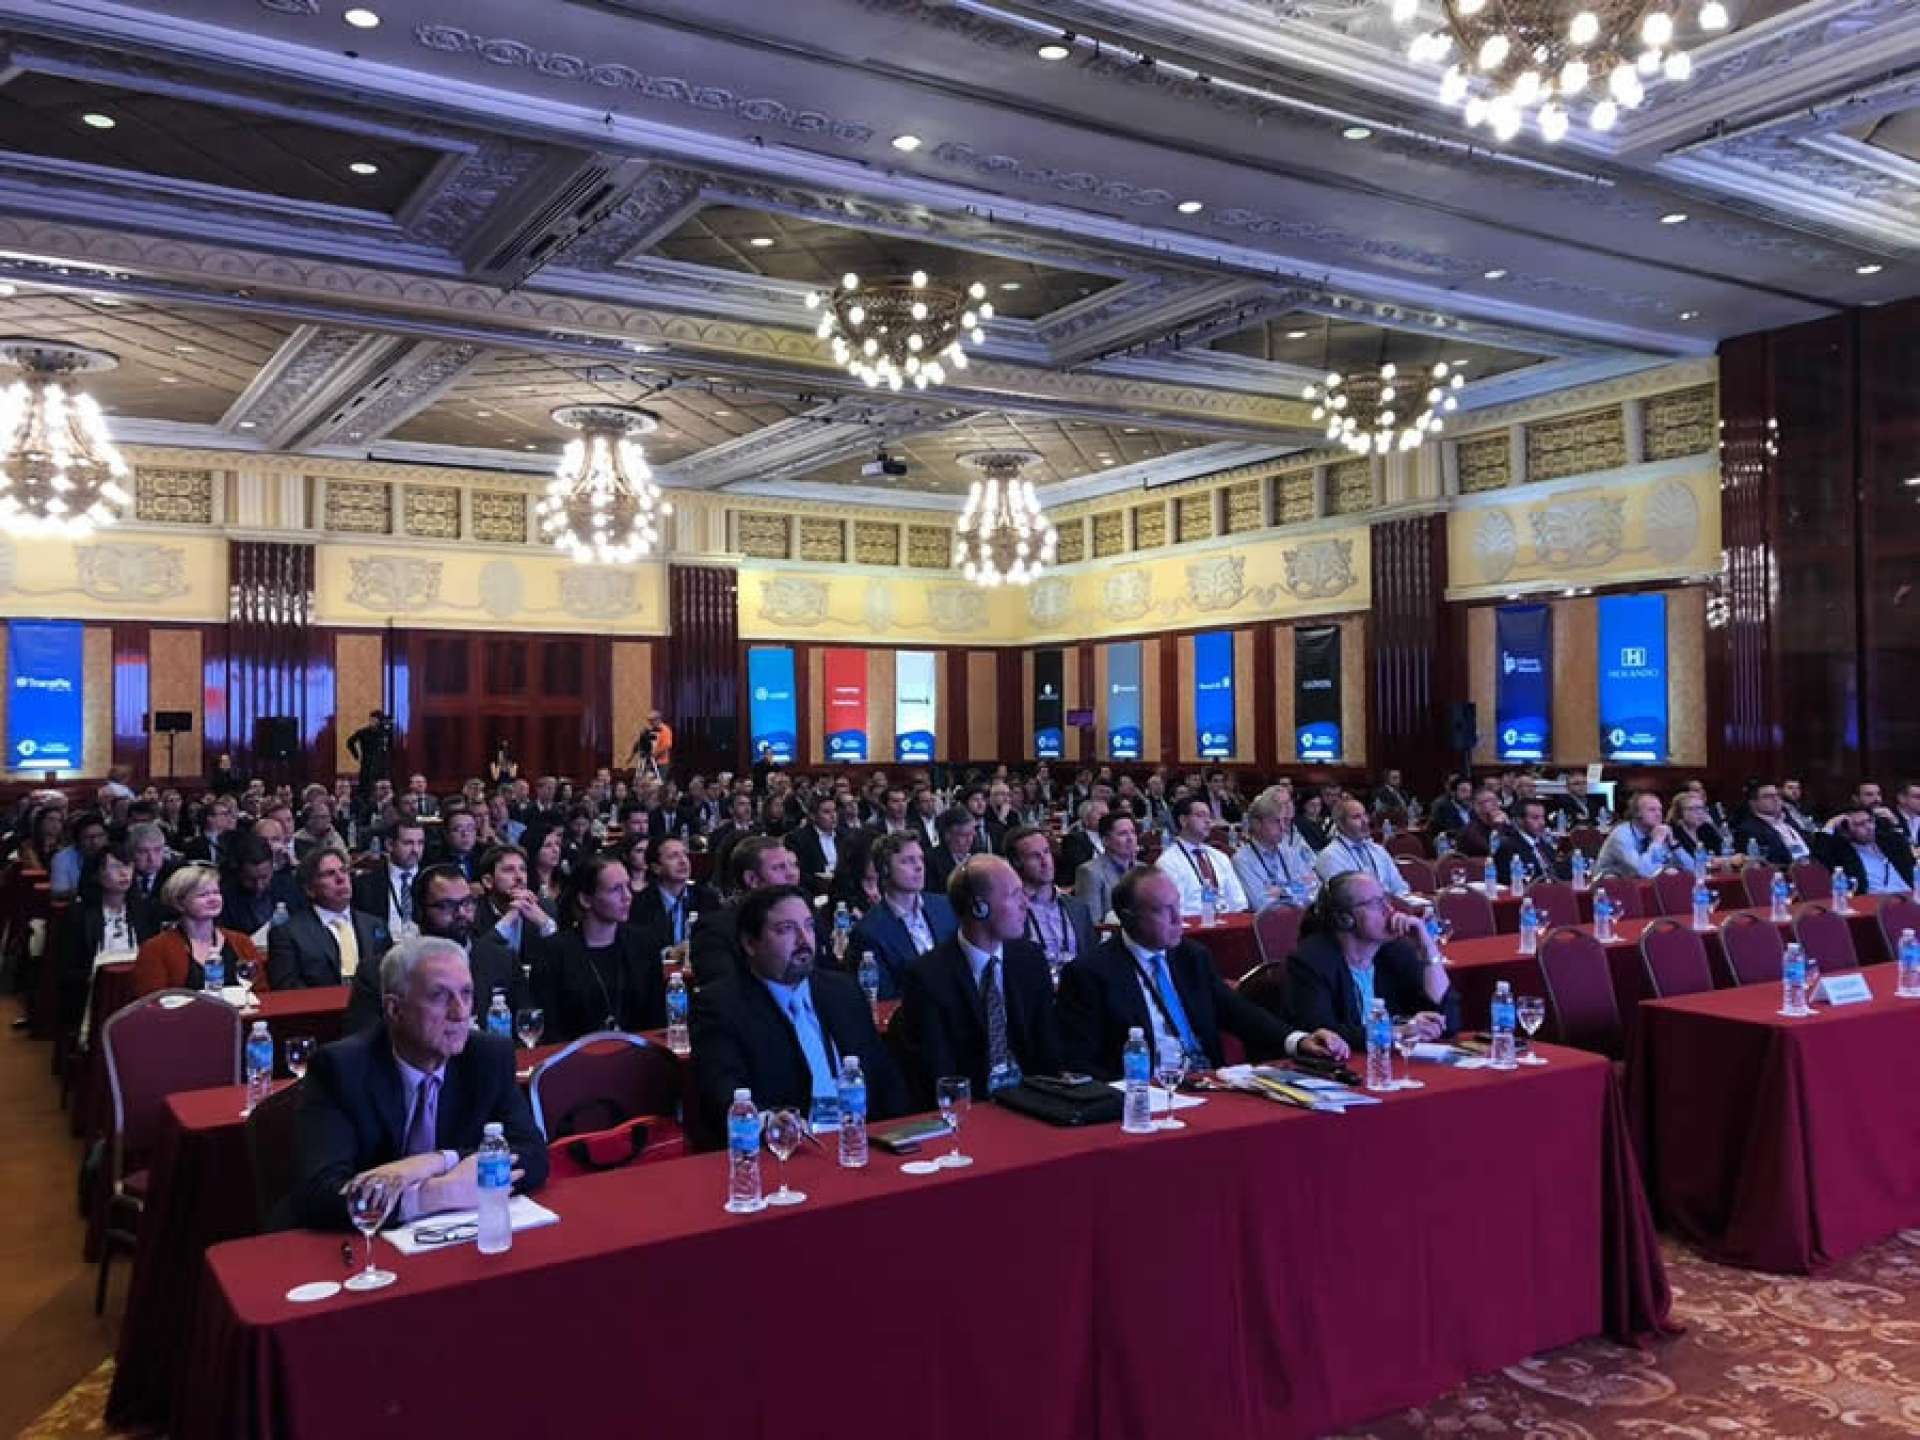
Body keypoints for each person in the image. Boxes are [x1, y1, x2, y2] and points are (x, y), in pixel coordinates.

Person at [286, 936, 547, 1230]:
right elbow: (319, 1194)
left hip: (456, 1236)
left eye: (466, 993)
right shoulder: (341, 1069)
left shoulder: (488, 1057)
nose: (461, 1012)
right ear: (394, 1009)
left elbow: (533, 1154)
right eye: (440, 996)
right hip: (365, 1244)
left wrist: (435, 1162)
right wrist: (432, 1196)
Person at [1059, 867, 1344, 1078]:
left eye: (1177, 906)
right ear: (1128, 916)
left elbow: (1237, 1012)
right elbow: (1079, 1061)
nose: (1178, 919)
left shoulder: (1191, 956)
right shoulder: (1091, 974)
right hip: (1143, 1093)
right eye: (1163, 911)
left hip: (1206, 1081)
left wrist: (1298, 1040)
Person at [689, 885, 908, 1136]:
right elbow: (722, 1092)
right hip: (785, 1147)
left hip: (860, 1141)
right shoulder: (721, 1006)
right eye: (786, 930)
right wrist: (769, 1123)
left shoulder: (843, 991)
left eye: (809, 926)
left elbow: (885, 1079)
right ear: (750, 943)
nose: (804, 940)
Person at [895, 855, 1063, 1105]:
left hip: (1033, 1104)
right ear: (979, 908)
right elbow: (937, 1074)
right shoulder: (928, 977)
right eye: (1014, 895)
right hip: (970, 1109)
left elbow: (1049, 1053)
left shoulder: (1029, 960)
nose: (1025, 904)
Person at [1284, 872, 1460, 1052]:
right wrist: (1394, 1032)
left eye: (1386, 899)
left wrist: (1428, 947)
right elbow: (1320, 1033)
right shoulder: (1312, 960)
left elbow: (1447, 1021)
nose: (1389, 910)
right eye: (1376, 903)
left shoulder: (1396, 952)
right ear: (1345, 919)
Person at [345, 865, 523, 1033]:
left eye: (467, 903)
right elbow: (363, 1044)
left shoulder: (503, 960)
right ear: (419, 912)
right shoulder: (379, 973)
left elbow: (526, 1027)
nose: (461, 913)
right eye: (447, 906)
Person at [535, 854, 669, 1041]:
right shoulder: (554, 952)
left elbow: (658, 1018)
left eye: (627, 886)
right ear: (586, 899)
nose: (627, 896)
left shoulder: (644, 944)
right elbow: (549, 1026)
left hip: (638, 1051)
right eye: (616, 889)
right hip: (576, 1054)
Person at [60, 844, 159, 1031]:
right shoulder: (78, 915)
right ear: (97, 874)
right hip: (92, 995)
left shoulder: (145, 910)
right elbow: (67, 968)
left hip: (138, 991)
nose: (124, 873)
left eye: (128, 866)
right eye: (115, 867)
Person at [849, 832, 958, 999]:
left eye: (920, 859)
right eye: (908, 860)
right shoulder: (868, 932)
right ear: (885, 868)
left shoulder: (945, 907)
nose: (919, 866)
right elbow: (884, 997)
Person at [131, 863, 266, 996]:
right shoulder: (156, 949)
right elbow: (151, 1002)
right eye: (203, 895)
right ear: (180, 902)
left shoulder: (241, 942)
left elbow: (262, 992)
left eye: (216, 892)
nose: (213, 899)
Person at [267, 848, 391, 990]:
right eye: (329, 874)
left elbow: (391, 975)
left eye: (344, 870)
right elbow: (287, 989)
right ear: (309, 889)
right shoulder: (288, 934)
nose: (341, 879)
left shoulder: (374, 925)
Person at [689, 836, 802, 986]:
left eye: (793, 865)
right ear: (752, 879)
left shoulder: (807, 918)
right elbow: (722, 990)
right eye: (779, 868)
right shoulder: (716, 931)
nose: (792, 874)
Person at [1004, 825, 1096, 966]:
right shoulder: (1009, 912)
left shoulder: (1078, 909)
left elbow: (1092, 959)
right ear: (1016, 863)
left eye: (1046, 852)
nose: (1045, 861)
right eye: (1035, 856)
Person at [1154, 795, 1249, 916]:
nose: (1208, 821)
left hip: (1226, 921)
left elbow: (1239, 902)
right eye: (1200, 815)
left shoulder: (1220, 857)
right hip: (1192, 924)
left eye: (1209, 816)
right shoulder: (1168, 863)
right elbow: (1175, 909)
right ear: (1183, 820)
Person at [1314, 797, 1419, 902]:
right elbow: (1347, 899)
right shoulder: (1330, 856)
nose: (1365, 821)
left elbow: (1400, 887)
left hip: (1391, 907)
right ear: (1341, 824)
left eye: (1365, 815)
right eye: (1356, 817)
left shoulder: (1378, 850)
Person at [1231, 787, 1320, 907]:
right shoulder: (1242, 860)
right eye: (1276, 821)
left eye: (1283, 821)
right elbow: (1262, 904)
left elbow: (1315, 888)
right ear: (1257, 824)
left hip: (1302, 916)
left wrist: (1283, 892)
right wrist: (1298, 890)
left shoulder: (1289, 852)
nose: (1283, 827)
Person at [474, 844, 559, 962]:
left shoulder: (546, 908)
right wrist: (510, 917)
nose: (519, 877)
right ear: (488, 881)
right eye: (509, 870)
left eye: (523, 869)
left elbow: (561, 960)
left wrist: (545, 924)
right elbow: (478, 956)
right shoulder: (474, 913)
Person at [629, 835, 717, 949]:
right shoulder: (640, 904)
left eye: (685, 854)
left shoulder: (707, 898)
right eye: (673, 856)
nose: (683, 861)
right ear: (656, 867)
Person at [353, 817, 427, 939]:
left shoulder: (432, 881)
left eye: (420, 843)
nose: (415, 850)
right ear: (389, 845)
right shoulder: (365, 885)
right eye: (408, 843)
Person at [1814, 806, 1915, 896]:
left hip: (1909, 897)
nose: (1869, 827)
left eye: (1870, 821)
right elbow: (1820, 855)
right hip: (1876, 902)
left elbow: (1907, 847)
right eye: (1860, 824)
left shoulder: (1889, 844)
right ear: (1845, 831)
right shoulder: (1843, 853)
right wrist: (1831, 824)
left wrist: (1894, 821)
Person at [1073, 810, 1138, 924]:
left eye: (1133, 832)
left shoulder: (1143, 869)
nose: (1130, 838)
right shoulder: (1090, 872)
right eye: (1122, 834)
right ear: (1105, 841)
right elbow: (1090, 922)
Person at [1591, 791, 1675, 880]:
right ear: (1637, 813)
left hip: (1639, 883)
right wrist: (1657, 842)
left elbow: (1679, 865)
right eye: (1652, 810)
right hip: (1607, 883)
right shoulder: (1621, 835)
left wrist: (1673, 843)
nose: (1659, 814)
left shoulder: (1657, 831)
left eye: (1660, 810)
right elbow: (1642, 871)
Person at [1734, 781, 1814, 866]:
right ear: (1753, 803)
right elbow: (1767, 862)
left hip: (1812, 866)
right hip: (1787, 871)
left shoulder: (1789, 820)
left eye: (1778, 795)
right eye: (1768, 796)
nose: (1776, 799)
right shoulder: (1748, 830)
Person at [1492, 798, 1568, 886]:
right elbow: (1508, 881)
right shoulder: (1508, 847)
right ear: (1519, 820)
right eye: (1535, 818)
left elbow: (1559, 871)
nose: (1542, 823)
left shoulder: (1543, 844)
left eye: (1543, 817)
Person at [785, 791, 846, 899]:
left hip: (842, 890)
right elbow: (797, 871)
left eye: (834, 810)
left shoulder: (845, 836)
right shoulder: (798, 838)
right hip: (813, 892)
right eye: (826, 812)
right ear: (813, 816)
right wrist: (819, 881)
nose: (833, 816)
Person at [48, 810, 110, 898]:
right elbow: (58, 893)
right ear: (78, 840)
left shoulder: (114, 855)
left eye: (100, 836)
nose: (95, 842)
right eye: (89, 837)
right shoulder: (62, 858)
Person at [927, 806, 981, 894]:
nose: (970, 840)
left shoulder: (978, 855)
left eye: (972, 834)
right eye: (964, 835)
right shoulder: (931, 860)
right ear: (947, 835)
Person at [1667, 790, 1727, 862]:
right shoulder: (1673, 832)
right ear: (1681, 812)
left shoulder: (1706, 828)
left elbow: (1722, 849)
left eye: (1701, 808)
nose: (1699, 812)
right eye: (1693, 809)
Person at [1057, 798, 1107, 878]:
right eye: (1102, 815)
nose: (1106, 819)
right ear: (1086, 817)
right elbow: (1081, 867)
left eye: (1107, 815)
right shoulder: (1073, 840)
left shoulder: (1110, 837)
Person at [1451, 790, 1507, 860]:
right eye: (1489, 800)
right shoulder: (1470, 831)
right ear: (1477, 807)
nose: (1495, 804)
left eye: (1496, 800)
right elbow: (1492, 852)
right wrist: (1498, 826)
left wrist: (1507, 825)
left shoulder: (1503, 824)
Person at [344, 710, 393, 787]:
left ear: (379, 721)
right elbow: (350, 742)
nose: (373, 722)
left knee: (381, 786)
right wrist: (356, 755)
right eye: (371, 719)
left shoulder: (384, 733)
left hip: (381, 766)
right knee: (366, 786)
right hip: (367, 765)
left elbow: (388, 747)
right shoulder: (363, 732)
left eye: (375, 720)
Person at [433, 810, 481, 881]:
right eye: (458, 829)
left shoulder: (484, 857)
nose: (465, 834)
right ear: (446, 834)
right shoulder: (436, 864)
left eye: (470, 828)